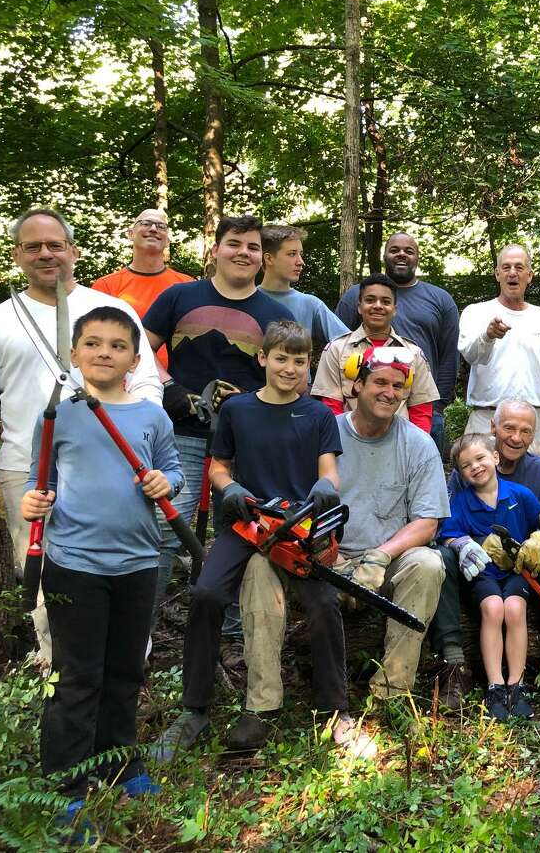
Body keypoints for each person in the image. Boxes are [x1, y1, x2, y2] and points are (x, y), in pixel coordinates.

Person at [0, 208, 162, 664]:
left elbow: (147, 383)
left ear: (73, 250)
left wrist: (141, 451)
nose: (46, 254)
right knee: (45, 575)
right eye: (33, 246)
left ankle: (128, 667)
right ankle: (64, 672)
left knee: (125, 562)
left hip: (115, 463)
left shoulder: (111, 311)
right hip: (29, 469)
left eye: (55, 244)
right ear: (17, 256)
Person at [153, 321, 357, 759]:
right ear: (262, 358)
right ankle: (194, 709)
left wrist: (326, 488)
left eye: (299, 361)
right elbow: (218, 466)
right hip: (247, 524)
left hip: (298, 525)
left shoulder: (319, 414)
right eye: (280, 358)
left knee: (322, 604)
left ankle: (334, 708)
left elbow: (329, 470)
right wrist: (229, 488)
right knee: (206, 593)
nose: (289, 368)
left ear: (309, 365)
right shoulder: (238, 410)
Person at [21, 307, 181, 831]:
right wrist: (32, 503)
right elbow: (37, 478)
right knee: (77, 675)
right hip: (73, 564)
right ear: (74, 355)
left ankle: (120, 762)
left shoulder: (152, 417)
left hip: (137, 562)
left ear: (136, 359)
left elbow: (174, 470)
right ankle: (64, 783)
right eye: (93, 344)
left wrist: (165, 483)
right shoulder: (59, 414)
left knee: (126, 668)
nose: (104, 353)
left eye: (116, 345)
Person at [142, 214, 295, 628]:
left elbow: (291, 377)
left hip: (246, 444)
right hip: (182, 435)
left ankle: (229, 630)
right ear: (215, 250)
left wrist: (254, 402)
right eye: (234, 244)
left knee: (246, 531)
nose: (243, 253)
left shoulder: (274, 314)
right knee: (166, 528)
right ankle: (142, 629)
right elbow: (137, 351)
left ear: (263, 259)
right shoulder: (179, 298)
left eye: (252, 247)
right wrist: (169, 385)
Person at [434, 399, 540, 706]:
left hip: (523, 569)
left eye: (525, 430)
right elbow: (445, 525)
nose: (516, 437)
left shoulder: (539, 474)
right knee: (443, 559)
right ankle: (457, 664)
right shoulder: (463, 484)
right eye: (509, 428)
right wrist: (461, 545)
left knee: (528, 591)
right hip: (481, 570)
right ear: (494, 429)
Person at [330, 346, 448, 713]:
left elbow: (428, 521)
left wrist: (382, 555)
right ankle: (321, 699)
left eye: (398, 386)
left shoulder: (418, 443)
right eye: (380, 382)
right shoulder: (324, 436)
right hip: (329, 560)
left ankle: (392, 694)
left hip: (388, 562)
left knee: (428, 564)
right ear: (357, 385)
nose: (389, 392)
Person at [335, 232, 459, 455]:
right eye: (394, 250)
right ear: (384, 255)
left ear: (417, 258)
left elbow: (449, 356)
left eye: (408, 251)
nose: (401, 254)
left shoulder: (440, 299)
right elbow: (340, 348)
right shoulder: (357, 295)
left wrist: (437, 406)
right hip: (359, 412)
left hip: (423, 407)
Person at [458, 244, 540, 455]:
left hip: (535, 426)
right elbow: (470, 355)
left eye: (519, 267)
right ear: (497, 274)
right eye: (506, 267)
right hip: (486, 421)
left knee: (532, 487)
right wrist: (488, 336)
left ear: (529, 275)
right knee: (480, 487)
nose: (513, 273)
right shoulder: (475, 312)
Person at [311, 274, 439, 431]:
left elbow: (421, 409)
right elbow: (330, 406)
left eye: (386, 302)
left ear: (394, 310)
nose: (378, 306)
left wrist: (415, 447)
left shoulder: (413, 353)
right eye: (370, 300)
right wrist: (339, 447)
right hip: (349, 443)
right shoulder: (336, 349)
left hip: (400, 445)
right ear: (359, 306)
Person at [91, 208, 193, 369]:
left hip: (177, 385)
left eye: (161, 226)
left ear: (167, 240)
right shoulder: (105, 286)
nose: (153, 229)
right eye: (145, 223)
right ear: (130, 234)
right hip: (123, 381)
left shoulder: (187, 285)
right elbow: (93, 341)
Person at [257, 224, 349, 348]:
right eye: (292, 254)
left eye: (300, 254)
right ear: (269, 259)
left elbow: (349, 346)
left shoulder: (311, 304)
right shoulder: (247, 300)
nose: (300, 262)